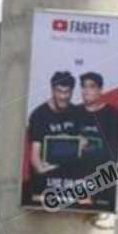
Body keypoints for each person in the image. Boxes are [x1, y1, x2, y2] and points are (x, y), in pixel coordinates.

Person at [27, 70, 82, 203]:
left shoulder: (77, 113)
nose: (63, 96)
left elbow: (83, 148)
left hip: (71, 185)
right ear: (52, 90)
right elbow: (35, 157)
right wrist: (43, 169)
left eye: (67, 92)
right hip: (45, 186)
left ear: (72, 92)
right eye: (59, 91)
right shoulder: (39, 115)